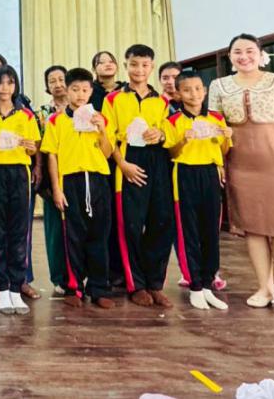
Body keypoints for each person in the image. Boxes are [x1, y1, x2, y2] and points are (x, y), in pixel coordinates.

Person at [208, 34, 274, 318]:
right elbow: (214, 128)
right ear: (230, 57)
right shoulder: (218, 86)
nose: (244, 56)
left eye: (249, 51)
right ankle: (265, 288)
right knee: (253, 230)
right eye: (237, 52)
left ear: (260, 53)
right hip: (239, 165)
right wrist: (218, 163)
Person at [102, 44, 174, 308]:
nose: (139, 70)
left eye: (145, 65)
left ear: (152, 67)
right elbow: (108, 137)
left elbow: (169, 132)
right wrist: (122, 164)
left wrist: (161, 134)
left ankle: (156, 283)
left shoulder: (162, 101)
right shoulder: (113, 99)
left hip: (157, 161)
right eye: (134, 64)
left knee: (161, 222)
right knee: (130, 225)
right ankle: (136, 284)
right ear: (126, 66)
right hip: (128, 160)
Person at [41, 67, 116, 309]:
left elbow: (107, 153)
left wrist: (101, 130)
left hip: (97, 180)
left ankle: (99, 288)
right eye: (75, 89)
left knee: (99, 236)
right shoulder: (56, 121)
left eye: (85, 90)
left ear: (91, 91)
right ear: (67, 90)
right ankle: (74, 287)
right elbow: (52, 156)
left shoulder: (100, 118)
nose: (80, 94)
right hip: (70, 182)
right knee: (72, 237)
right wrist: (57, 188)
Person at [164, 70, 231, 311]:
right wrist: (184, 140)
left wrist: (227, 137)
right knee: (188, 231)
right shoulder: (172, 121)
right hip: (184, 174)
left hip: (210, 174)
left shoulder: (216, 118)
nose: (193, 94)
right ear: (178, 94)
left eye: (198, 89)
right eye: (187, 90)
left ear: (205, 91)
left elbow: (223, 150)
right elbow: (171, 153)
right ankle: (194, 285)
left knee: (210, 230)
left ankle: (207, 284)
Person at [0, 52, 40, 300]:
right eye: (1, 83)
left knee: (19, 231)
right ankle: (2, 287)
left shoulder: (26, 115)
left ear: (16, 86)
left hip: (20, 173)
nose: (5, 87)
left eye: (10, 82)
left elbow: (34, 149)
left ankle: (17, 285)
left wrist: (30, 148)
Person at [89, 50, 126, 289]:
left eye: (110, 61)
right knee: (104, 218)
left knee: (123, 217)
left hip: (125, 157)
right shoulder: (90, 93)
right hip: (100, 158)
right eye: (101, 62)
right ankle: (106, 271)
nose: (107, 64)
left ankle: (125, 270)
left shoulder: (126, 91)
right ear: (94, 69)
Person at [34, 65, 69, 295]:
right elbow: (39, 146)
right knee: (55, 230)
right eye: (52, 81)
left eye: (61, 79)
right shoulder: (42, 113)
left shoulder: (83, 110)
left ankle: (79, 275)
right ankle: (59, 277)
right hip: (51, 178)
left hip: (78, 174)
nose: (57, 84)